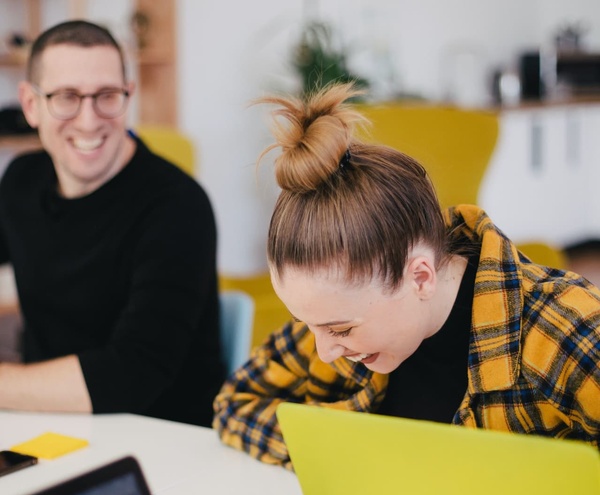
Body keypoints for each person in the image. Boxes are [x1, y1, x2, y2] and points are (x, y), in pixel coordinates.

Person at [213, 82, 600, 469]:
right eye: (308, 324)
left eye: (341, 330)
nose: (325, 352)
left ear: (419, 277)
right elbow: (235, 405)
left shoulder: (565, 331)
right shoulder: (336, 315)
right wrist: (349, 451)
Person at [0, 20, 224, 426]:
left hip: (163, 440)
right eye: (66, 97)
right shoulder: (20, 180)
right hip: (46, 423)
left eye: (106, 96)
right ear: (31, 105)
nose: (88, 121)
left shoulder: (177, 206)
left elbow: (132, 374)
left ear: (128, 96)